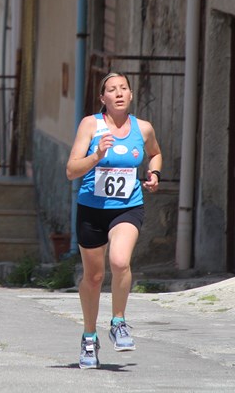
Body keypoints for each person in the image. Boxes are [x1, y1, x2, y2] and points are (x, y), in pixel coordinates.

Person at [66, 72, 162, 369]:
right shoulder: (90, 125)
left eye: (123, 88)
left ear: (131, 95)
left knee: (120, 261)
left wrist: (154, 174)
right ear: (102, 98)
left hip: (127, 208)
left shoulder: (143, 128)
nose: (118, 93)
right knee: (93, 277)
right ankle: (89, 337)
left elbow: (155, 154)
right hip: (92, 209)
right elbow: (71, 170)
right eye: (111, 89)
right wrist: (96, 155)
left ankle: (118, 321)